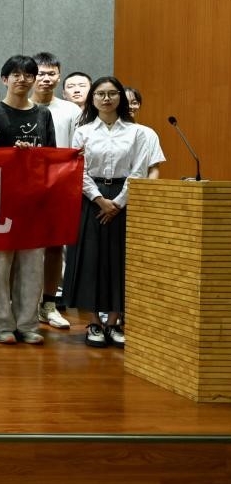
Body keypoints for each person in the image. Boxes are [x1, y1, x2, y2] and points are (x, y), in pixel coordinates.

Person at [64, 76, 165, 349]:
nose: (106, 98)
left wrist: (119, 202)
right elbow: (79, 170)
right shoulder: (83, 131)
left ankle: (114, 322)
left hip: (126, 197)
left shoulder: (138, 133)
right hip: (91, 198)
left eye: (112, 93)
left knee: (120, 259)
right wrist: (99, 199)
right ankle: (94, 322)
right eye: (100, 94)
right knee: (90, 260)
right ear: (93, 99)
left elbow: (140, 170)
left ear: (120, 97)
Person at [0, 56, 56, 345]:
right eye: (15, 74)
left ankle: (28, 323)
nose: (22, 79)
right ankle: (1, 323)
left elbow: (51, 156)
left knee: (32, 264)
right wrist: (11, 155)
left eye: (28, 75)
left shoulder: (43, 115)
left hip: (34, 200)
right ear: (4, 79)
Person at [30, 51, 83, 329]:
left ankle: (48, 304)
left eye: (51, 73)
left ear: (59, 77)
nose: (46, 78)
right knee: (23, 249)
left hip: (59, 187)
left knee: (54, 247)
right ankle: (23, 304)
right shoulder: (20, 107)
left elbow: (79, 149)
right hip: (25, 187)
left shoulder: (72, 111)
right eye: (40, 73)